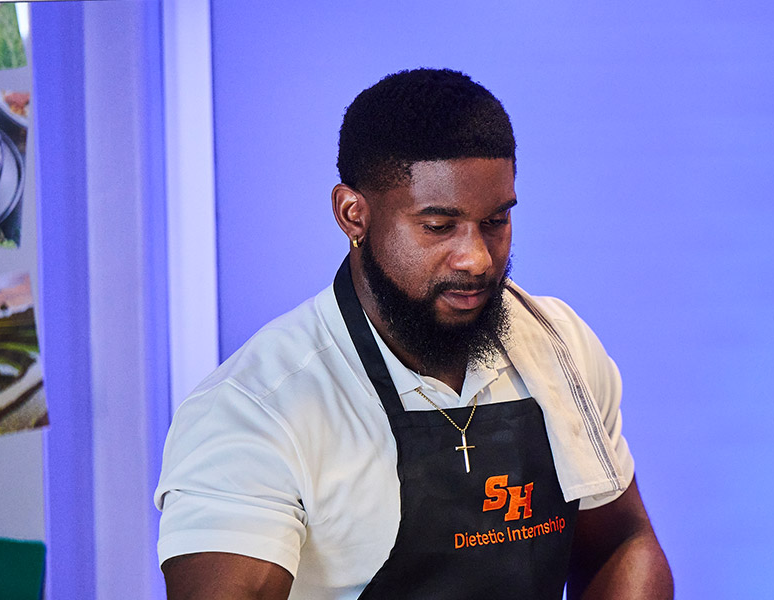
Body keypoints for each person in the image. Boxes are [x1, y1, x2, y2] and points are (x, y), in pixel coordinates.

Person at [155, 68, 673, 600]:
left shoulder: (560, 346)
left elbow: (622, 544)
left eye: (495, 221)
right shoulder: (253, 409)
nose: (476, 258)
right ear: (352, 214)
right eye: (438, 226)